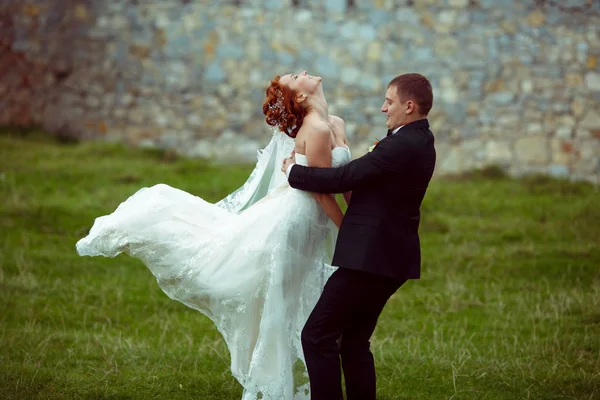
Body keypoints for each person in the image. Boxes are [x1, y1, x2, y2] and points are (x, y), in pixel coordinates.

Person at [76, 71, 351, 400]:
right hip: (297, 217)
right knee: (277, 298)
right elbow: (322, 193)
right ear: (302, 97)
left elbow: (345, 178)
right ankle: (277, 387)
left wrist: (360, 213)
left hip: (307, 218)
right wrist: (349, 232)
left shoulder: (335, 122)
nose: (303, 73)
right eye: (296, 76)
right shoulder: (317, 129)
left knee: (291, 299)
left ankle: (304, 381)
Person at [282, 73, 436, 400]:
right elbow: (364, 183)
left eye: (389, 101)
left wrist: (292, 172)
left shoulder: (403, 144)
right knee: (353, 342)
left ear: (409, 106)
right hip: (388, 256)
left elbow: (342, 178)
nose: (383, 108)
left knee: (316, 336)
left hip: (371, 258)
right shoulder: (417, 139)